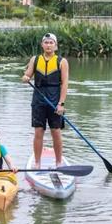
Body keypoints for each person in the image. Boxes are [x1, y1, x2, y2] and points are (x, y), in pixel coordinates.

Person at [21, 32, 69, 168]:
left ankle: (59, 162)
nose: (48, 45)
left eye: (51, 43)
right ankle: (37, 162)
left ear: (56, 46)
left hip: (54, 101)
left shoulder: (62, 62)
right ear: (42, 45)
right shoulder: (35, 59)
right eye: (46, 42)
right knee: (38, 132)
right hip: (38, 100)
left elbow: (65, 84)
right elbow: (28, 75)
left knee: (56, 132)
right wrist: (25, 78)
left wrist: (61, 103)